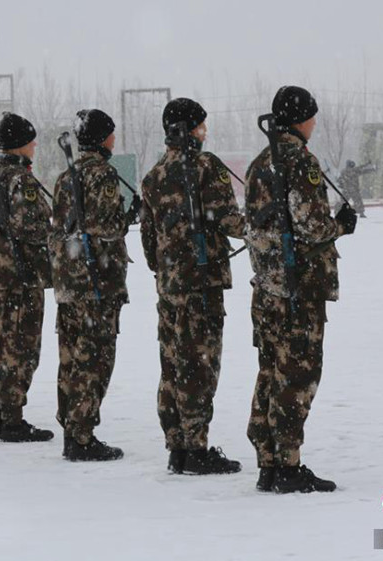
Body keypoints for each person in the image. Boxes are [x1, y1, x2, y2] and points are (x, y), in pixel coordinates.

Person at [244, 86, 357, 493]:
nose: (314, 124)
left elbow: (254, 226)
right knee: (298, 375)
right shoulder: (299, 161)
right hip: (298, 290)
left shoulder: (260, 164)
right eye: (311, 116)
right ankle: (288, 467)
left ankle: (269, 462)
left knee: (271, 372)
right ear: (300, 119)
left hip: (267, 289)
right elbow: (312, 227)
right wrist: (342, 224)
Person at [140, 98, 246, 475]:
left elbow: (149, 240)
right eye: (201, 126)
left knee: (172, 363)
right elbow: (226, 218)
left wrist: (168, 268)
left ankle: (178, 446)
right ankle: (197, 448)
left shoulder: (153, 176)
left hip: (169, 286)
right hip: (202, 284)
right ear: (189, 130)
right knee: (200, 364)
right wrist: (257, 224)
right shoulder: (205, 166)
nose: (205, 132)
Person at [51, 109, 129, 461]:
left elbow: (61, 226)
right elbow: (105, 225)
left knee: (71, 355)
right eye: (111, 134)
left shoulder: (65, 176)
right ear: (103, 138)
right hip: (96, 279)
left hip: (69, 278)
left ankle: (71, 423)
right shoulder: (102, 175)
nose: (114, 140)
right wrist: (127, 217)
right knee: (94, 357)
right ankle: (81, 434)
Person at [0, 112, 54, 442]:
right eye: (31, 140)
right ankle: (12, 418)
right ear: (21, 144)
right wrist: (54, 233)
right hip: (21, 277)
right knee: (20, 347)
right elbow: (30, 227)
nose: (35, 145)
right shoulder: (21, 181)